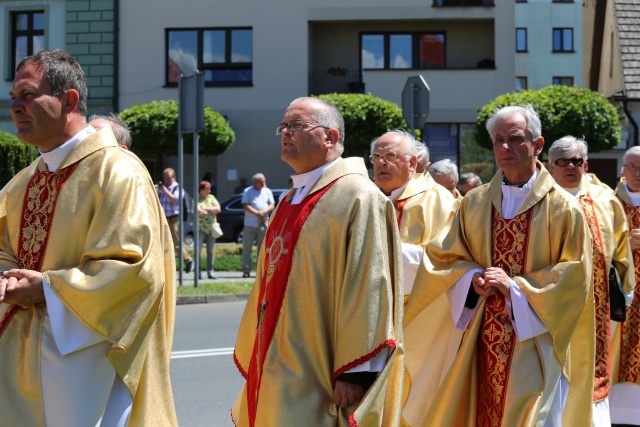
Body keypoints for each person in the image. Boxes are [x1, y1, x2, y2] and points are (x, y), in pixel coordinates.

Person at [0, 49, 177, 425]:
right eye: (14, 96)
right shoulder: (24, 181)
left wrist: (46, 288)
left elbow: (136, 270)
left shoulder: (116, 170)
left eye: (29, 95)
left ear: (69, 100)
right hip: (21, 350)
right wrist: (8, 277)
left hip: (83, 356)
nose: (16, 106)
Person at [404, 104, 593, 425]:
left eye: (515, 139)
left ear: (538, 144)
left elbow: (575, 276)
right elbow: (443, 257)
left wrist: (515, 288)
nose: (505, 147)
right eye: (498, 140)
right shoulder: (474, 203)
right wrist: (471, 278)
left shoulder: (564, 209)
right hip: (479, 338)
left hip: (533, 342)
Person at [232, 97, 404, 426]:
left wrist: (355, 371)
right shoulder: (288, 198)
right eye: (283, 126)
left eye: (297, 125)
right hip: (276, 355)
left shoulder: (357, 195)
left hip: (322, 366)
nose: (286, 133)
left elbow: (369, 282)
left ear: (331, 137)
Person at [368, 130, 460, 426]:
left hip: (420, 322)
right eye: (377, 157)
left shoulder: (438, 201)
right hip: (370, 318)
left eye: (391, 156)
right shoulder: (366, 197)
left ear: (413, 162)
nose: (382, 163)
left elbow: (447, 261)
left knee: (412, 400)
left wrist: (385, 253)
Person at [548, 136, 634, 426]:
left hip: (596, 306)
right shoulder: (541, 200)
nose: (570, 166)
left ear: (585, 165)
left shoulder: (605, 199)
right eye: (562, 161)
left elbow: (621, 247)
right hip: (550, 303)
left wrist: (626, 290)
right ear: (550, 166)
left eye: (576, 161)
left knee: (591, 370)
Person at [610, 146, 640, 426]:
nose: (638, 173)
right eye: (633, 167)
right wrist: (624, 245)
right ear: (623, 170)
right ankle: (614, 415)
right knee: (616, 347)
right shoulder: (609, 202)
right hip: (620, 289)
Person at [158, 167, 193, 273]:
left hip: (174, 219)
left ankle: (188, 260)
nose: (167, 180)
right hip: (164, 218)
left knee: (176, 243)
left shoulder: (177, 188)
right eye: (165, 178)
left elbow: (174, 200)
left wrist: (164, 190)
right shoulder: (162, 188)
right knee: (163, 243)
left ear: (173, 177)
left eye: (169, 178)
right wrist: (160, 190)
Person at [241, 173, 274, 278]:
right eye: (262, 181)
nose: (264, 183)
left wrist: (263, 212)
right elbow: (245, 206)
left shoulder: (267, 191)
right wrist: (257, 213)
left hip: (263, 223)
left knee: (262, 248)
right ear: (255, 182)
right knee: (247, 248)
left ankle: (260, 271)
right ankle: (246, 270)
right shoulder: (248, 191)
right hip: (250, 224)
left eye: (264, 181)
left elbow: (272, 204)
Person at [197, 180, 221, 280]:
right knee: (197, 251)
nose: (209, 191)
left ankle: (210, 273)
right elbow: (198, 211)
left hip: (211, 228)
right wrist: (211, 210)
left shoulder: (212, 198)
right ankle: (197, 274)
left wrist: (206, 210)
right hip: (200, 228)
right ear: (202, 190)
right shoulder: (196, 199)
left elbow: (218, 209)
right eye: (207, 189)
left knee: (210, 251)